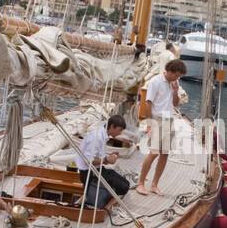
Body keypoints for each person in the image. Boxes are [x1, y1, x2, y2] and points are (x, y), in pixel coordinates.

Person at [137, 58, 187, 196]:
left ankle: (154, 185)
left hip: (169, 119)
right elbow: (147, 103)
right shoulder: (155, 82)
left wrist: (176, 91)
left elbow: (175, 104)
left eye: (179, 76)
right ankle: (141, 183)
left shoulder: (174, 83)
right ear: (170, 71)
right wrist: (149, 123)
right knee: (153, 153)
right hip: (157, 120)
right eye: (177, 75)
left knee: (165, 153)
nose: (178, 78)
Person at [79, 114, 131, 207]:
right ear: (112, 126)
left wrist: (108, 156)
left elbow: (97, 156)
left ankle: (102, 193)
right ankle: (90, 195)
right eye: (119, 130)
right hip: (90, 174)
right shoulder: (97, 138)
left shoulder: (103, 136)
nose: (119, 133)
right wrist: (106, 159)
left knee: (126, 184)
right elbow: (88, 160)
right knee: (123, 187)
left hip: (98, 169)